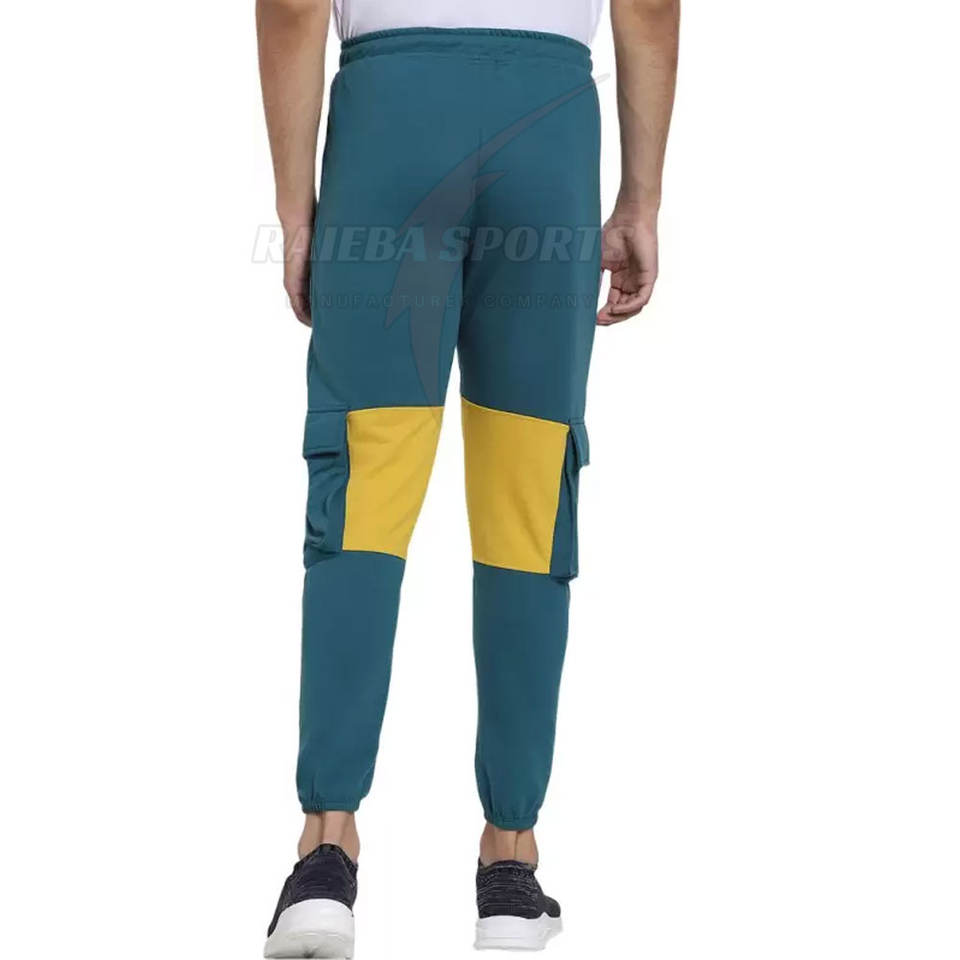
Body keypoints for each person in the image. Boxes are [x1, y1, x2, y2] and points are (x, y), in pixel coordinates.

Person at [256, 0, 678, 953]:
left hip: (389, 130)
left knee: (363, 490)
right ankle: (510, 871)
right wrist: (640, 198)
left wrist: (295, 209)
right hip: (548, 132)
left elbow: (292, 8)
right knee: (528, 491)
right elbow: (648, 8)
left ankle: (325, 857)